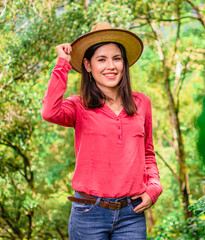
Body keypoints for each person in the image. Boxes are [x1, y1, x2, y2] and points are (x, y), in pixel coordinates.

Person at [41, 22, 162, 240]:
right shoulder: (78, 105)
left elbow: (148, 154)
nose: (111, 66)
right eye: (101, 59)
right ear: (88, 65)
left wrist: (153, 188)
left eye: (117, 58)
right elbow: (50, 112)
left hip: (131, 214)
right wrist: (62, 64)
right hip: (89, 213)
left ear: (124, 63)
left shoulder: (142, 103)